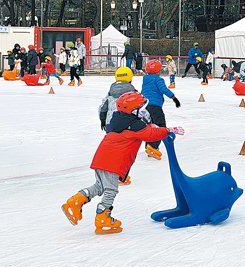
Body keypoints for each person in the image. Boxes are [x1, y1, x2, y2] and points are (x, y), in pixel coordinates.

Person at [61, 91, 184, 234]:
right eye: (141, 109)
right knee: (110, 190)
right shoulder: (135, 125)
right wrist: (167, 129)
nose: (144, 112)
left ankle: (75, 202)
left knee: (100, 187)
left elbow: (145, 129)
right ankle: (103, 218)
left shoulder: (119, 121)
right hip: (113, 163)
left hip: (101, 159)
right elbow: (150, 135)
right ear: (133, 110)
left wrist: (151, 126)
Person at [141, 59, 180, 160]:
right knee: (160, 126)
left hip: (145, 106)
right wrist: (174, 98)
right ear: (158, 70)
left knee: (150, 126)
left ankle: (149, 146)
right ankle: (153, 147)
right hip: (155, 107)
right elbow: (164, 90)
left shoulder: (145, 79)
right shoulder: (158, 80)